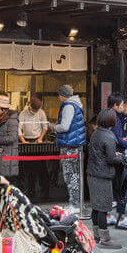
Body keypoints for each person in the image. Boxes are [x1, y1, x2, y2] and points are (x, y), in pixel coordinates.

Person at [86, 108, 124, 250]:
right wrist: (120, 157)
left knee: (96, 207)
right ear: (111, 121)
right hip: (102, 175)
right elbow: (111, 158)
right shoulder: (108, 136)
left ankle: (96, 235)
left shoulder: (96, 133)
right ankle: (105, 239)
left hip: (93, 173)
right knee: (102, 208)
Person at [53, 84, 86, 214]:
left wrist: (54, 127)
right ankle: (77, 203)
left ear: (62, 96)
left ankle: (74, 205)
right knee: (75, 175)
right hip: (75, 145)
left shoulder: (68, 106)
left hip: (69, 146)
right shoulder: (76, 104)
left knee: (70, 175)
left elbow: (64, 127)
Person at [106, 93, 127, 230]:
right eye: (121, 105)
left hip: (109, 157)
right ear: (115, 105)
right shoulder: (114, 117)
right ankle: (121, 218)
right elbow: (116, 138)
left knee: (113, 188)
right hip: (116, 157)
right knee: (121, 189)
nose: (123, 107)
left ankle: (109, 216)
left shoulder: (105, 115)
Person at [0, 96, 19, 181]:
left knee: (6, 183)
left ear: (2, 109)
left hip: (8, 156)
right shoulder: (2, 118)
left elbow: (12, 137)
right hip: (3, 155)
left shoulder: (12, 120)